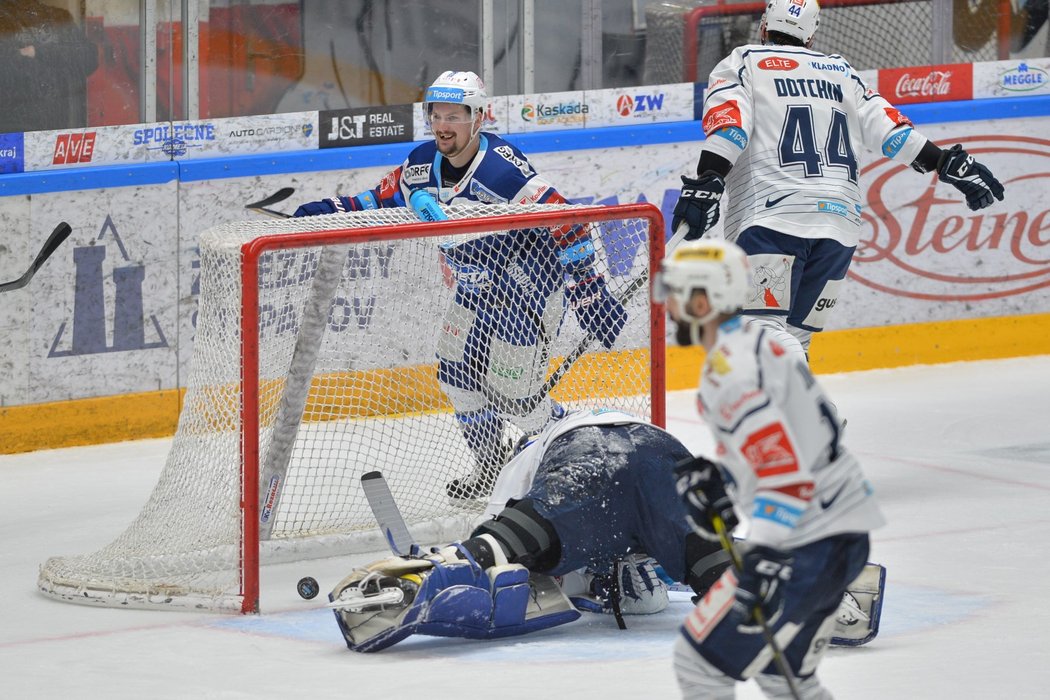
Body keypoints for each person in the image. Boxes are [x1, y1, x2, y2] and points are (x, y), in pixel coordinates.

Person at [294, 70, 626, 499]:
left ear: (479, 117)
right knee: (457, 377)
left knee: (517, 399)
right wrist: (327, 209)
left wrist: (588, 289)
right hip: (472, 290)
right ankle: (490, 468)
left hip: (525, 290)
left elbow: (565, 220)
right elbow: (375, 201)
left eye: (455, 114)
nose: (443, 125)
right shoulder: (419, 165)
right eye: (436, 114)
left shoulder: (504, 170)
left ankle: (582, 463)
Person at [670, 0, 1005, 362]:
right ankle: (803, 417)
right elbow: (895, 136)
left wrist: (708, 180)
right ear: (811, 37)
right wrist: (943, 162)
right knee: (795, 339)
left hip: (773, 220)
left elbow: (731, 127)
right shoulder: (843, 72)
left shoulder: (744, 61)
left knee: (759, 329)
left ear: (763, 27)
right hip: (839, 228)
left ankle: (817, 411)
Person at [658, 238, 885, 699]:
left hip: (804, 545)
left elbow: (787, 477)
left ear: (702, 299)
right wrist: (726, 479)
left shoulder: (731, 372)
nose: (669, 306)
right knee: (786, 679)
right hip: (843, 533)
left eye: (677, 293)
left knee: (699, 665)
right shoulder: (763, 340)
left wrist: (764, 557)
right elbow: (799, 441)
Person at [326, 407, 732, 652]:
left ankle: (424, 576)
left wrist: (476, 550)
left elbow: (503, 531)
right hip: (667, 453)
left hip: (588, 455)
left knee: (499, 548)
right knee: (721, 571)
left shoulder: (530, 456)